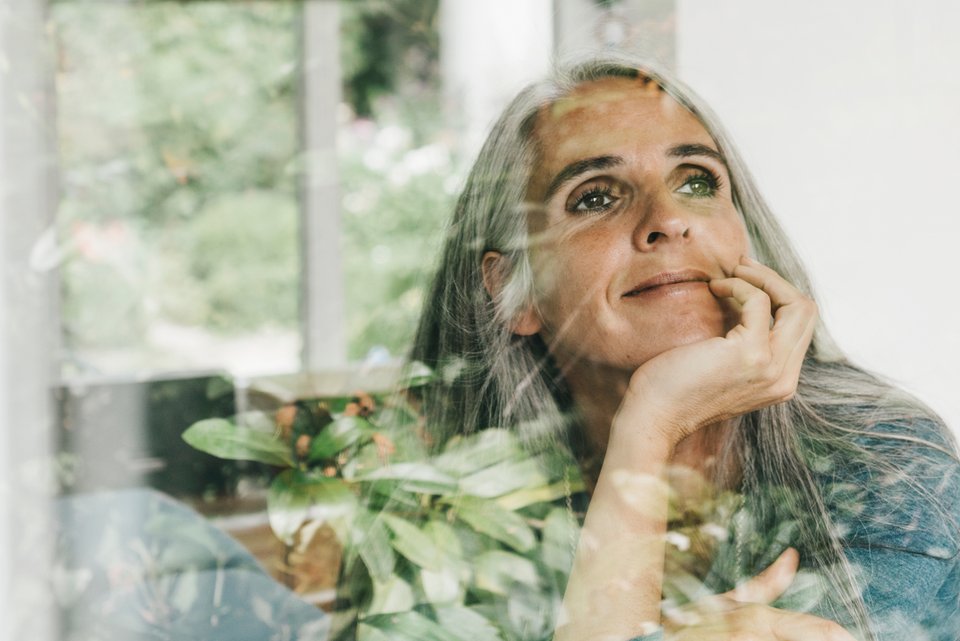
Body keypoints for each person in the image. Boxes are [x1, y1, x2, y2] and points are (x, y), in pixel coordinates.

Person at [410, 54, 960, 641]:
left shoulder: (882, 457)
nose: (668, 219)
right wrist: (650, 425)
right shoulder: (456, 503)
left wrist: (650, 416)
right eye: (594, 196)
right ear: (513, 291)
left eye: (696, 181)